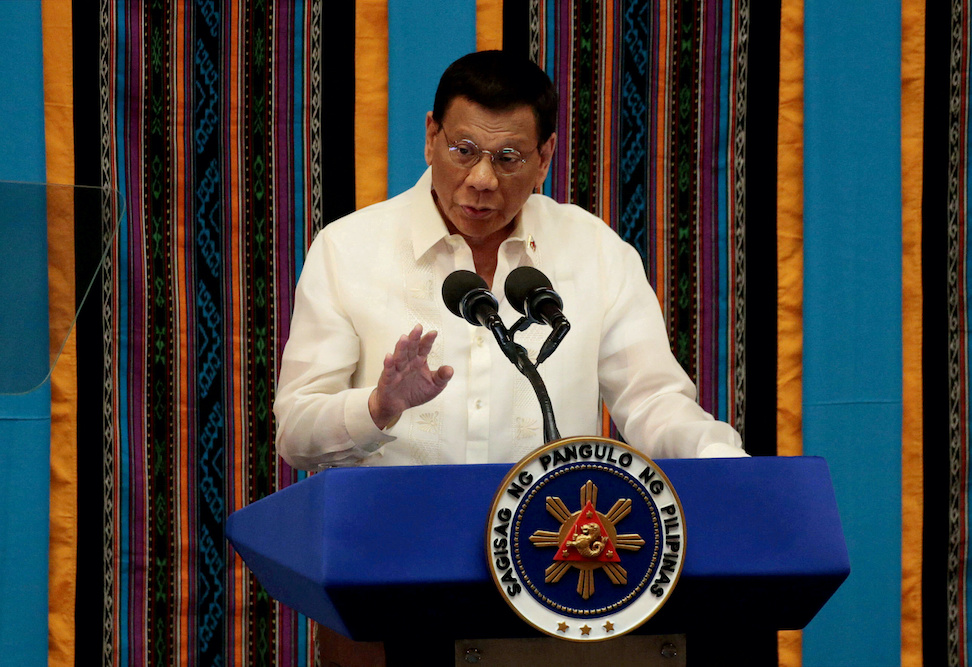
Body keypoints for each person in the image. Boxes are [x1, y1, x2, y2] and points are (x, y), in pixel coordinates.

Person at [274, 50, 747, 471]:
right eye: (464, 151)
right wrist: (378, 407)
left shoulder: (595, 251)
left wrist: (725, 463)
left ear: (544, 158)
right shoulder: (347, 250)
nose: (482, 179)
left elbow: (654, 401)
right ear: (430, 136)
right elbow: (295, 433)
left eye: (508, 158)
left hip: (547, 552)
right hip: (389, 548)